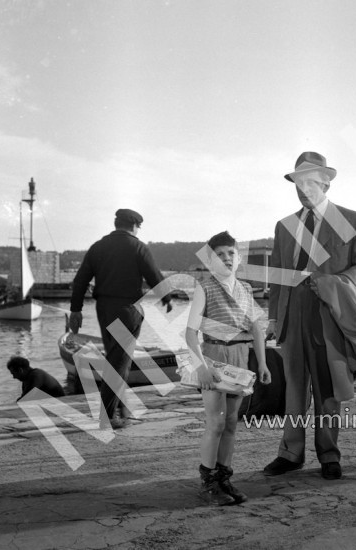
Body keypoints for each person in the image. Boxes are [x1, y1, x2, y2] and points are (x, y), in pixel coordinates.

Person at [263, 151, 356, 481]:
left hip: (332, 316)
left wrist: (335, 283)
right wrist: (274, 318)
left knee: (328, 389)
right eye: (298, 182)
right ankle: (291, 452)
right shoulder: (285, 226)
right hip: (293, 317)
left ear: (326, 183)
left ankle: (328, 453)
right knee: (293, 389)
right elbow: (279, 277)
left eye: (311, 181)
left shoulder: (352, 221)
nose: (303, 188)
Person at [186, 231, 271, 505]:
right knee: (216, 421)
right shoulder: (205, 287)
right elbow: (190, 333)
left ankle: (224, 478)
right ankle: (208, 481)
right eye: (219, 255)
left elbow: (257, 328)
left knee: (232, 421)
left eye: (230, 253)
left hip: (239, 356)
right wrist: (201, 367)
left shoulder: (245, 289)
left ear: (239, 258)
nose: (226, 258)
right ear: (211, 261)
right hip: (213, 355)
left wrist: (263, 363)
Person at [69, 209, 172, 429]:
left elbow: (79, 281)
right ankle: (107, 417)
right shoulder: (137, 247)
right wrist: (167, 297)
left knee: (116, 360)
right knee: (118, 364)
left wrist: (76, 310)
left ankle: (122, 408)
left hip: (103, 309)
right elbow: (154, 275)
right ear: (134, 226)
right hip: (126, 310)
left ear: (117, 224)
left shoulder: (98, 247)